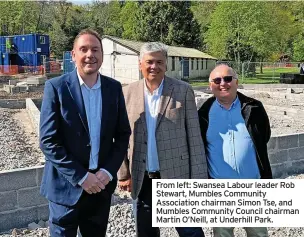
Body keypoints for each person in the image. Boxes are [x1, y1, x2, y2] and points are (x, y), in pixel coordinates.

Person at [39, 29, 131, 237]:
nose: (90, 54)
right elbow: (48, 141)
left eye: (95, 49)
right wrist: (81, 177)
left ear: (102, 55)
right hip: (65, 189)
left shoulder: (114, 89)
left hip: (100, 186)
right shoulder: (56, 88)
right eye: (84, 49)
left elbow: (123, 134)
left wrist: (107, 172)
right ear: (73, 55)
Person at [118, 42, 208, 237]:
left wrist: (198, 181)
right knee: (146, 231)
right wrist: (124, 173)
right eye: (149, 62)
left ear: (166, 64)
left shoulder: (182, 90)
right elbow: (121, 138)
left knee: (190, 232)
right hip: (142, 178)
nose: (154, 67)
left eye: (159, 62)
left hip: (177, 177)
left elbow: (194, 137)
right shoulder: (126, 93)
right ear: (140, 63)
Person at [198, 64, 272, 237]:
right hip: (219, 190)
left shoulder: (254, 108)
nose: (223, 83)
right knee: (222, 233)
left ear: (236, 82)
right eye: (217, 80)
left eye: (228, 79)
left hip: (252, 187)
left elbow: (264, 136)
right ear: (211, 86)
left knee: (258, 233)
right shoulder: (203, 113)